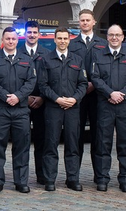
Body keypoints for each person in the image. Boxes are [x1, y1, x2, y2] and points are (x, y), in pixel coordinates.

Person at [0, 27, 36, 193]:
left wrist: (18, 96)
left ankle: (21, 181)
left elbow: (31, 81)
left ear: (17, 40)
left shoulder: (26, 60)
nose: (11, 41)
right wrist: (6, 96)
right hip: (0, 109)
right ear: (3, 40)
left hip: (20, 110)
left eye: (13, 39)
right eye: (8, 39)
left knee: (22, 146)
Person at [90, 24, 126, 192]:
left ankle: (125, 178)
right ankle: (102, 178)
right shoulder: (98, 55)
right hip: (105, 104)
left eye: (117, 35)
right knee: (103, 143)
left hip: (125, 105)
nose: (114, 38)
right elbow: (95, 78)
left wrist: (122, 94)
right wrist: (110, 93)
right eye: (111, 35)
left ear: (123, 37)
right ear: (107, 37)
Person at [38, 27, 88, 191]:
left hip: (73, 108)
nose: (62, 41)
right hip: (53, 107)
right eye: (59, 38)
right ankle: (50, 179)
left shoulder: (77, 60)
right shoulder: (46, 59)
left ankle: (72, 179)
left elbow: (82, 83)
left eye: (65, 38)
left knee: (73, 144)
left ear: (69, 40)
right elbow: (43, 85)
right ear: (55, 40)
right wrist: (57, 98)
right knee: (50, 143)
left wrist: (74, 99)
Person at [68, 8, 106, 173]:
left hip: (98, 95)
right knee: (76, 136)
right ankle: (74, 175)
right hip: (78, 95)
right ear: (79, 22)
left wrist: (94, 84)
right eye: (82, 20)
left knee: (99, 136)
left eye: (87, 20)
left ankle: (99, 176)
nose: (85, 23)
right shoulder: (72, 44)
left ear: (93, 22)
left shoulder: (103, 44)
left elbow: (106, 69)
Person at [21, 21, 50, 185]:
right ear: (25, 33)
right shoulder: (17, 53)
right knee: (22, 142)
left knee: (42, 141)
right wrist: (25, 98)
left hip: (41, 103)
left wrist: (42, 98)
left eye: (34, 32)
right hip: (21, 104)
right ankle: (22, 177)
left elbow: (50, 80)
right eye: (29, 32)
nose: (32, 35)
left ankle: (42, 175)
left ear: (39, 34)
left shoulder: (46, 54)